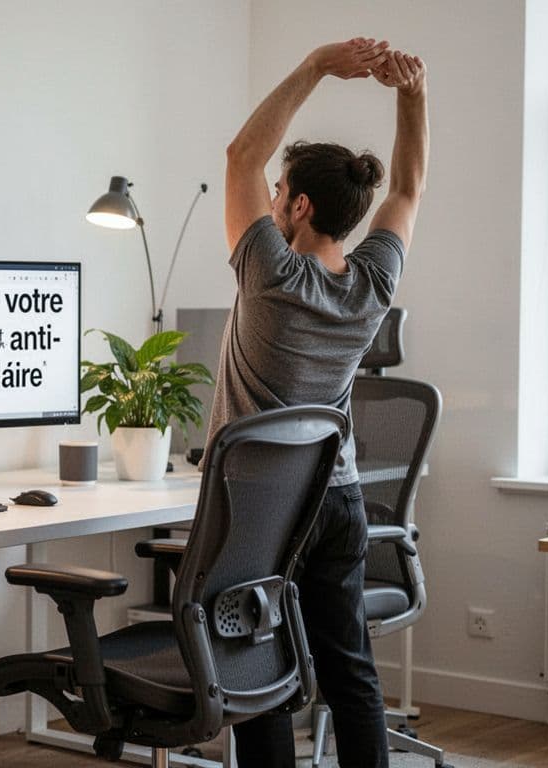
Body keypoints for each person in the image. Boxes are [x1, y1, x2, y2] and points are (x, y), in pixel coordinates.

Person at [207, 37, 429, 768]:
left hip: (260, 515)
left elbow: (242, 155)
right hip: (338, 505)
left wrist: (313, 67)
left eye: (278, 198)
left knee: (257, 676)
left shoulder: (269, 274)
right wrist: (412, 93)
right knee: (349, 671)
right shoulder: (372, 285)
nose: (267, 203)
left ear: (298, 206)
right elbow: (406, 190)